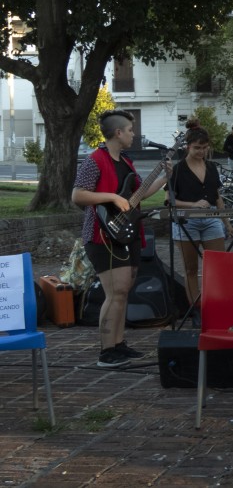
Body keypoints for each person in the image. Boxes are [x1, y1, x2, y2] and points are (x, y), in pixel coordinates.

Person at [72, 109, 169, 368]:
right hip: (102, 235)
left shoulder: (126, 162)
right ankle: (106, 352)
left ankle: (118, 344)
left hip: (127, 233)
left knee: (123, 291)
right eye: (129, 130)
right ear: (118, 133)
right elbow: (78, 195)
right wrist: (112, 197)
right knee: (114, 292)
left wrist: (163, 178)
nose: (133, 134)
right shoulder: (94, 160)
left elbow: (137, 195)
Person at [167, 120, 233, 312]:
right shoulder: (178, 168)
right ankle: (195, 309)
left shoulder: (212, 167)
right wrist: (193, 204)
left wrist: (226, 222)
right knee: (191, 269)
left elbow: (217, 197)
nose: (201, 152)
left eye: (204, 148)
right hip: (186, 222)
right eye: (197, 148)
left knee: (218, 265)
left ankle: (217, 305)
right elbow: (169, 200)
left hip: (211, 220)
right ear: (188, 147)